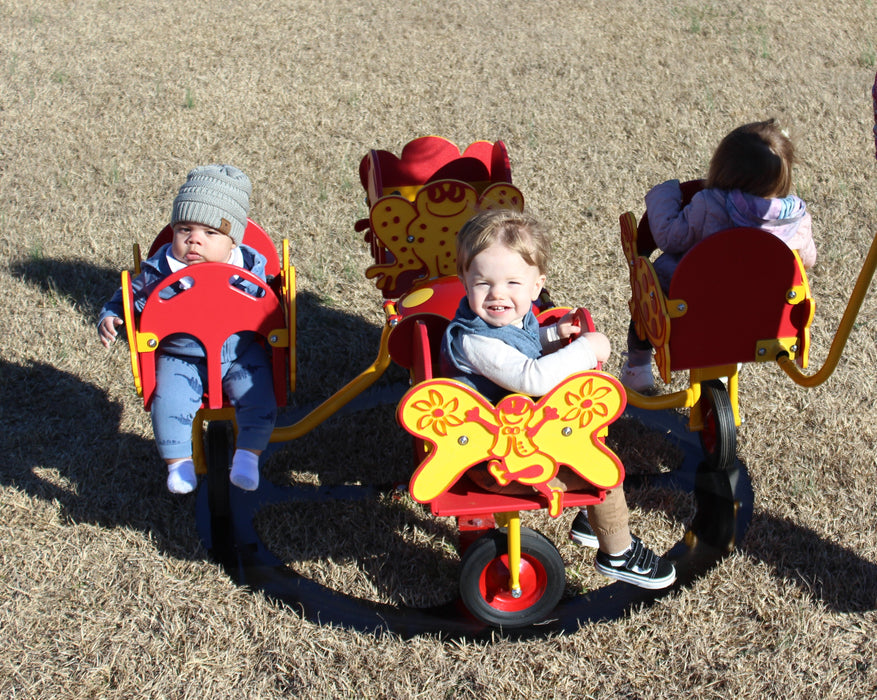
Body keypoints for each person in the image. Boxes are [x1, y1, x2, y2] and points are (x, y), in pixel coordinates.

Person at [441, 208, 676, 590]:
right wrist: (586, 348)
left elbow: (524, 349)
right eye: (483, 283)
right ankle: (617, 551)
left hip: (511, 438)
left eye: (513, 283)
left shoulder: (506, 320)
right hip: (494, 460)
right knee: (600, 469)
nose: (498, 294)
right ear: (464, 280)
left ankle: (589, 519)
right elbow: (532, 377)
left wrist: (553, 335)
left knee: (580, 435)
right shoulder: (477, 340)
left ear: (537, 287)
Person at [98, 165, 277, 494]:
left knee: (260, 395)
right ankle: (179, 464)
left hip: (239, 351)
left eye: (210, 233)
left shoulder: (249, 266)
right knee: (168, 400)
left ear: (231, 241)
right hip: (181, 353)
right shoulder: (161, 268)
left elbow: (267, 301)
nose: (194, 239)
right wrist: (112, 313)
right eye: (184, 229)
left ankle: (247, 457)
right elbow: (130, 296)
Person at [621, 119, 817, 392]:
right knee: (738, 307)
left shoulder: (710, 205)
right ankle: (722, 366)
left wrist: (664, 194)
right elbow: (806, 260)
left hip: (690, 303)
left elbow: (669, 236)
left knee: (646, 295)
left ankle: (638, 368)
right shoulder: (796, 220)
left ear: (723, 169)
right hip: (755, 314)